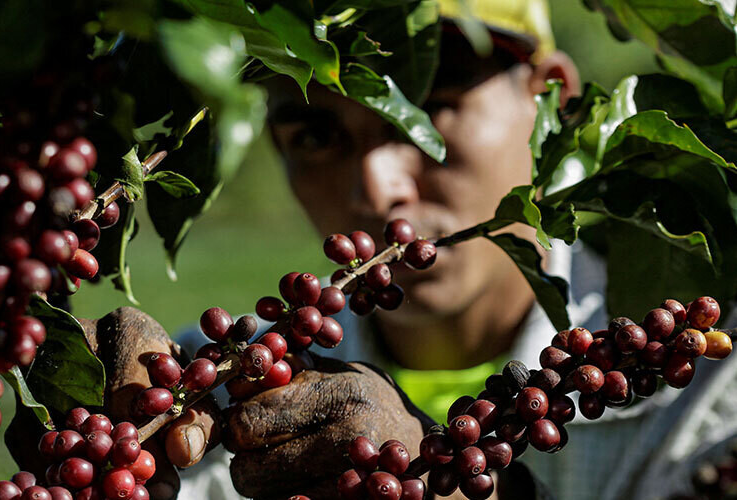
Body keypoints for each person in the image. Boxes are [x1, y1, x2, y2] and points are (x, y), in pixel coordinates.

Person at [139, 1, 737, 499]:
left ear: (551, 102)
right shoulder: (205, 392)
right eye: (316, 136)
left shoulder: (710, 391)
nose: (376, 188)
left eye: (424, 113)